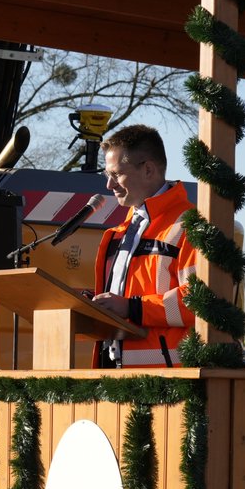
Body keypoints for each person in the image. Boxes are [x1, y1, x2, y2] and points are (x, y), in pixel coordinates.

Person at [90, 124, 198, 367]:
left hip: (166, 382)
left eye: (116, 175)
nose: (109, 185)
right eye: (107, 176)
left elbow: (197, 303)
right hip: (115, 374)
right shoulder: (126, 229)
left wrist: (131, 307)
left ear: (148, 169)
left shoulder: (190, 225)